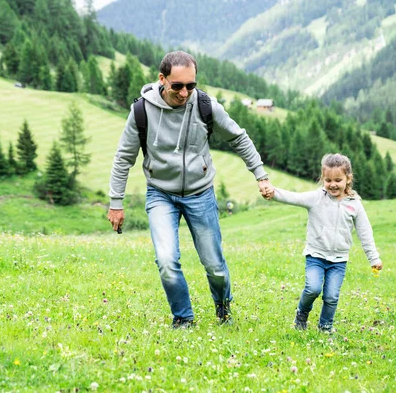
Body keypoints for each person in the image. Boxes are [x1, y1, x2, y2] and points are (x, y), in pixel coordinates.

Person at [108, 51, 273, 328]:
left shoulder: (205, 105)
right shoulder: (141, 111)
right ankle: (183, 318)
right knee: (167, 260)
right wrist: (116, 202)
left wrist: (261, 175)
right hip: (160, 193)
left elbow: (238, 137)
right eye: (177, 86)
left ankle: (223, 311)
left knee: (215, 266)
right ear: (162, 79)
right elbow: (124, 157)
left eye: (191, 85)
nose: (185, 93)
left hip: (201, 193)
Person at [269, 153, 383, 332]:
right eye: (328, 180)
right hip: (316, 255)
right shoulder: (316, 198)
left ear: (348, 179)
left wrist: (374, 258)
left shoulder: (355, 204)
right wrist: (273, 193)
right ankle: (301, 315)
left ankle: (325, 325)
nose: (333, 184)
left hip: (339, 260)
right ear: (323, 179)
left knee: (331, 296)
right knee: (312, 289)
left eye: (338, 179)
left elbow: (365, 233)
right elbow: (293, 197)